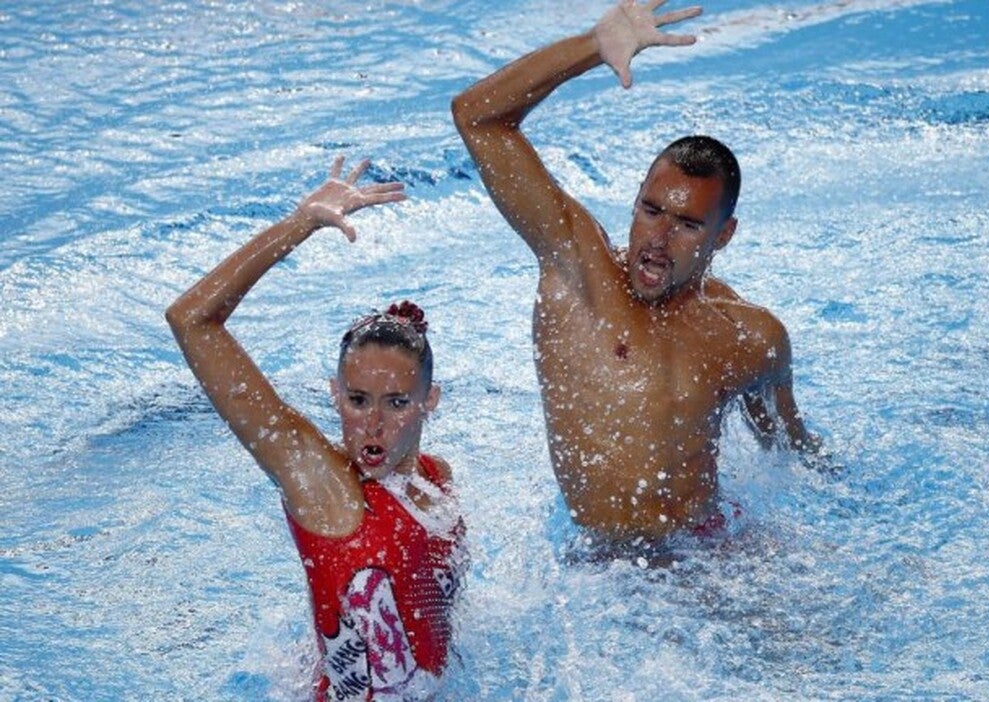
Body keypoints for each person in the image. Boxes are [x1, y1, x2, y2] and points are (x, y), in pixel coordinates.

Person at [452, 1, 822, 555]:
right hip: (608, 567)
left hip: (709, 548)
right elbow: (476, 116)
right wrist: (592, 46)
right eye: (651, 211)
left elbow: (793, 457)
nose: (658, 237)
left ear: (723, 235)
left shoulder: (750, 337)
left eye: (688, 225)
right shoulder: (578, 273)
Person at [166, 157, 464, 701]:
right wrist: (300, 224)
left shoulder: (436, 480)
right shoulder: (324, 488)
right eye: (356, 400)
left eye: (397, 403)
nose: (372, 423)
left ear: (430, 402)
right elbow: (190, 320)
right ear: (335, 394)